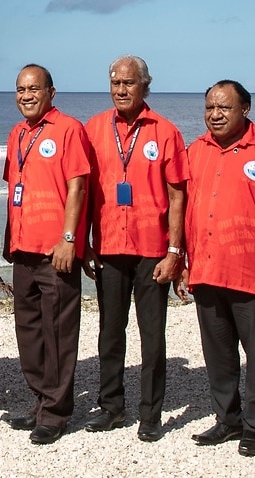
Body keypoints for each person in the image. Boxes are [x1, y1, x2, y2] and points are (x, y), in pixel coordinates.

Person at [83, 55, 188, 442]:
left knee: (152, 334)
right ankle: (111, 407)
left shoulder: (166, 131)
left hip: (152, 250)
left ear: (145, 85)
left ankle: (150, 414)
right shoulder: (93, 129)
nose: (121, 90)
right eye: (115, 83)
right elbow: (81, 191)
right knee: (110, 332)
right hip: (109, 246)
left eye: (128, 83)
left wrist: (175, 252)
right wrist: (83, 245)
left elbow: (178, 196)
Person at [3, 64, 91, 445]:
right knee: (30, 332)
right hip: (23, 248)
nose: (26, 96)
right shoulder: (18, 132)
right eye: (21, 89)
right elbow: (17, 189)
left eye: (34, 89)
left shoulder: (69, 129)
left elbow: (78, 187)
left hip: (56, 250)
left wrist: (69, 239)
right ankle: (40, 401)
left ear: (51, 92)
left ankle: (56, 413)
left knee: (58, 332)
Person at [176, 80, 255, 457]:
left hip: (248, 273)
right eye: (209, 107)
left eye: (224, 107)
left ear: (245, 110)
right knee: (218, 353)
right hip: (206, 270)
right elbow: (186, 212)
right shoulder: (196, 151)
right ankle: (228, 419)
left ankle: (254, 426)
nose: (215, 114)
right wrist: (182, 264)